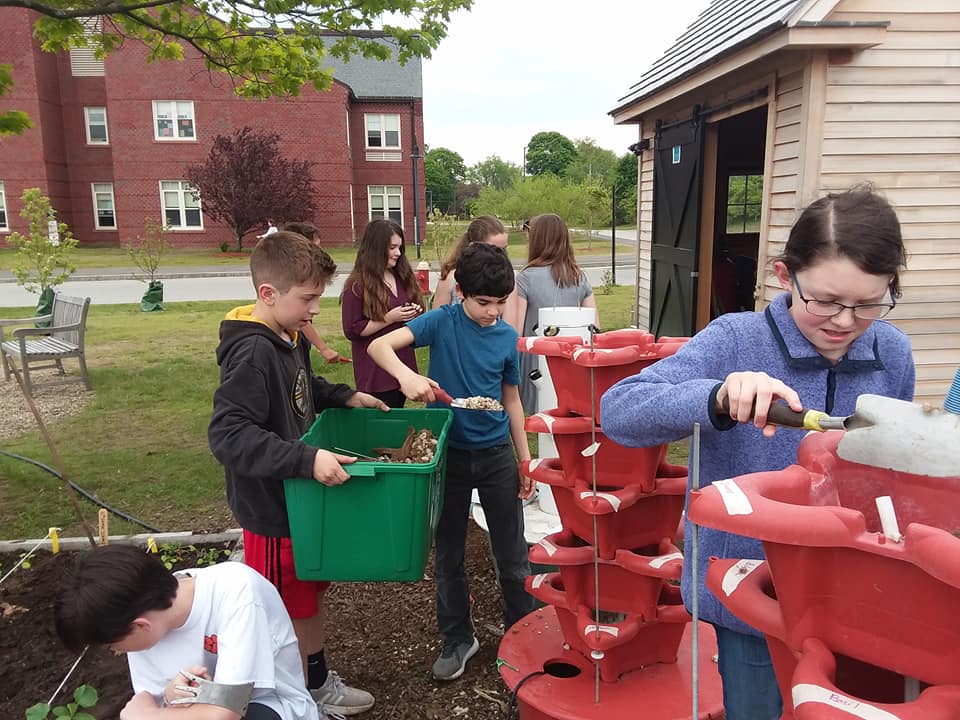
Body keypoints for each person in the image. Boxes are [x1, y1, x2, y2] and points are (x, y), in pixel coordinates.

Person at [600, 186, 915, 720]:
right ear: (783, 275)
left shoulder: (892, 352)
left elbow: (893, 469)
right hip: (752, 594)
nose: (844, 321)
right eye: (826, 300)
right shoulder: (736, 340)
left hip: (857, 598)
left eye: (867, 304)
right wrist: (718, 396)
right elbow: (620, 410)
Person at [208, 231, 387, 718]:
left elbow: (301, 389)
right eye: (307, 298)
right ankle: (294, 696)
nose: (314, 310)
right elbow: (228, 435)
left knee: (306, 598)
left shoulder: (286, 338)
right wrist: (306, 460)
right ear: (269, 294)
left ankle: (314, 680)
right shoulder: (251, 353)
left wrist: (343, 395)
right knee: (284, 609)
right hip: (272, 510)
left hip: (299, 504)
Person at [367, 243, 536, 681]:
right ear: (461, 292)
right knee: (449, 556)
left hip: (497, 455)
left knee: (513, 556)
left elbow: (511, 399)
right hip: (449, 457)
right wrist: (407, 376)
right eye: (484, 303)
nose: (493, 312)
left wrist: (524, 457)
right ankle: (458, 637)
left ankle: (522, 633)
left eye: (502, 303)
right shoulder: (441, 321)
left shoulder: (503, 336)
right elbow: (380, 347)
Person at [54, 544, 319, 720]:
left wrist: (148, 716)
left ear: (140, 625)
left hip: (272, 707)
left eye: (115, 646)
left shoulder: (236, 591)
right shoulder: (139, 609)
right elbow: (154, 699)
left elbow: (227, 711)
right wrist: (168, 698)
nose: (117, 652)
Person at [508, 213, 598, 414]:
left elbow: (515, 330)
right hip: (572, 361)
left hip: (536, 362)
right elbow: (594, 327)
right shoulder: (579, 276)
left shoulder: (525, 278)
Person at [341, 219, 424, 408]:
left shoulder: (401, 276)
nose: (398, 253)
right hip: (375, 371)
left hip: (402, 362)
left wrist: (414, 312)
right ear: (376, 248)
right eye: (392, 247)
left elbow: (412, 304)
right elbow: (352, 330)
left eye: (400, 247)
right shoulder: (356, 285)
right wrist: (389, 318)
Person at [282, 222, 342, 364]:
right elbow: (304, 323)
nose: (316, 309)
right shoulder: (294, 278)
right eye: (315, 247)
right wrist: (324, 349)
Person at [431, 215, 509, 308]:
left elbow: (510, 320)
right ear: (473, 246)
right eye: (492, 249)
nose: (499, 255)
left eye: (503, 249)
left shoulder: (506, 279)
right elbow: (438, 318)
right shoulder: (451, 280)